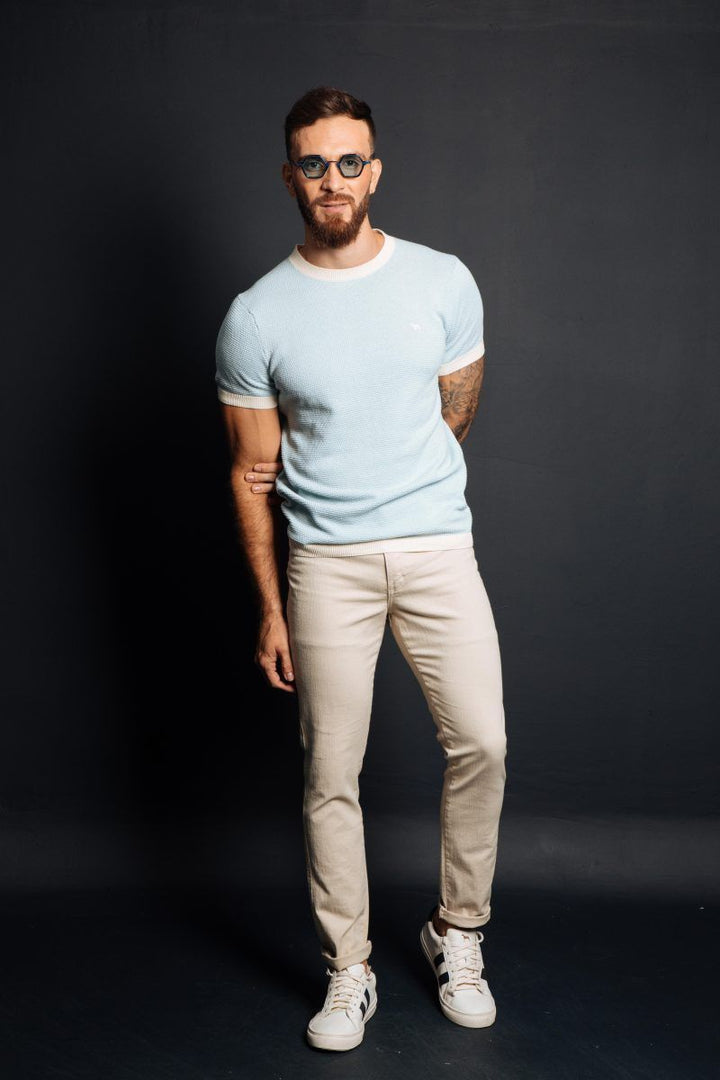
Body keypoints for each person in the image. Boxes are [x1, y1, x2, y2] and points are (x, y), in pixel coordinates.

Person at [215, 85, 508, 1052]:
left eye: (350, 162)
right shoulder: (257, 315)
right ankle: (350, 967)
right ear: (289, 177)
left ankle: (456, 932)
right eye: (314, 164)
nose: (333, 180)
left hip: (436, 549)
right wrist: (271, 605)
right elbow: (251, 474)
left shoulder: (442, 281)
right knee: (329, 774)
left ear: (374, 171)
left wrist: (400, 488)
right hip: (325, 569)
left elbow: (454, 409)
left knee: (483, 743)